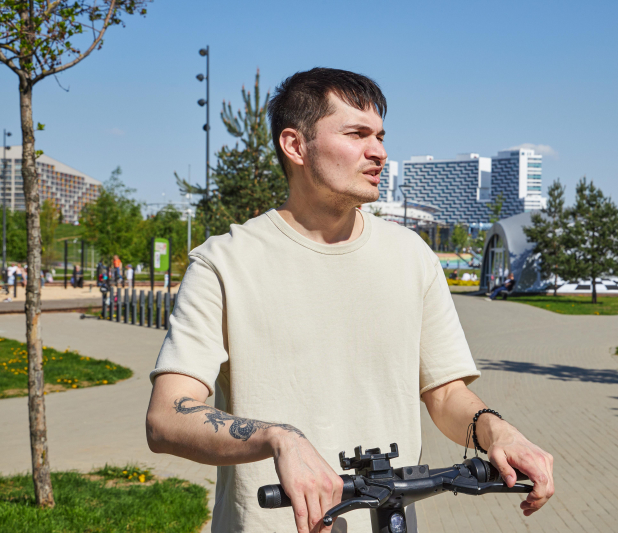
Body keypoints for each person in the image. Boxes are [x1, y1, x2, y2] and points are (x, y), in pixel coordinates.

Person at [145, 69, 554, 533]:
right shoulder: (223, 263)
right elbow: (166, 417)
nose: (378, 151)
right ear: (295, 146)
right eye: (357, 134)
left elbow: (444, 394)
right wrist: (278, 439)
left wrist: (494, 429)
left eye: (380, 136)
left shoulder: (411, 256)